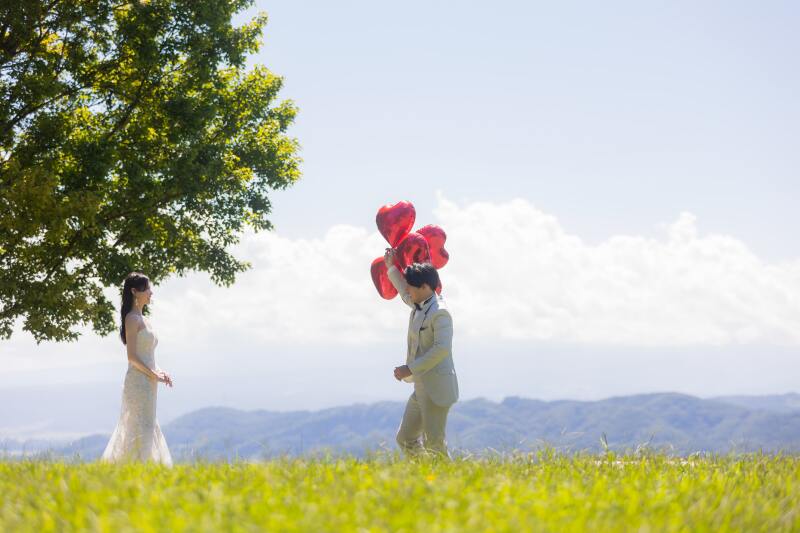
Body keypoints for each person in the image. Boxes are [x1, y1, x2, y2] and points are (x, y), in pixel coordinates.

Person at [384, 249, 459, 457]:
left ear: (425, 287)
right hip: (421, 386)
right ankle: (426, 476)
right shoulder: (419, 303)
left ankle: (448, 483)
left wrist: (409, 368)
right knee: (405, 438)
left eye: (412, 287)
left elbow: (442, 349)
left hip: (437, 388)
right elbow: (403, 292)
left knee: (434, 444)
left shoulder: (440, 312)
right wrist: (391, 267)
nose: (409, 291)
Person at [102, 272, 173, 465]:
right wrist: (153, 374)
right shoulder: (132, 319)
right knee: (138, 425)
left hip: (149, 381)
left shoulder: (145, 319)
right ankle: (135, 467)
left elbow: (148, 356)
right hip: (138, 381)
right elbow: (132, 357)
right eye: (148, 288)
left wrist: (161, 372)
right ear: (135, 291)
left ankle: (145, 467)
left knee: (148, 424)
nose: (151, 292)